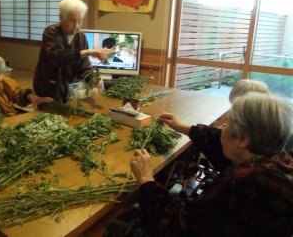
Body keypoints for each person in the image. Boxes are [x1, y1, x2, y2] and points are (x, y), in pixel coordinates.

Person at [106, 92, 293, 236]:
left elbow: (170, 228)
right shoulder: (279, 160)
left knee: (116, 224)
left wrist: (147, 180)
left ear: (243, 139)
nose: (223, 130)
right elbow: (216, 140)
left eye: (227, 125)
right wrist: (185, 128)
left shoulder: (240, 181)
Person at [160, 79, 270, 172]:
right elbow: (209, 135)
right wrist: (179, 125)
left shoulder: (240, 179)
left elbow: (212, 137)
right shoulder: (269, 129)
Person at [33, 0, 109, 102]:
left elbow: (84, 66)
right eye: (72, 21)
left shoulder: (81, 37)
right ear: (61, 18)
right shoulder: (50, 33)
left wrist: (93, 79)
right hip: (48, 88)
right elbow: (58, 58)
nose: (76, 26)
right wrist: (88, 52)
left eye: (80, 21)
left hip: (69, 89)